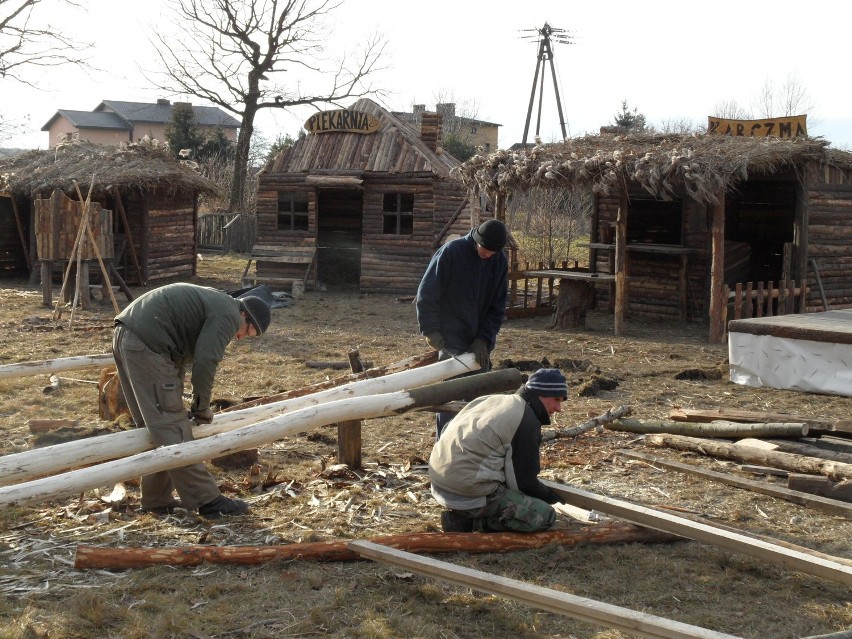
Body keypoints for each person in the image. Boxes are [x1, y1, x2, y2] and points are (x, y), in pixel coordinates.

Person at [112, 282, 271, 518]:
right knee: (173, 428)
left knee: (155, 428)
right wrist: (201, 406)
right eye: (248, 331)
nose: (241, 338)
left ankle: (156, 500)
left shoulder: (218, 302)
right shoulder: (228, 315)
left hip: (132, 336)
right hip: (146, 342)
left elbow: (181, 355)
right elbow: (206, 361)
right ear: (244, 315)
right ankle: (208, 500)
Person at [428, 368, 568, 533]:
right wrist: (548, 497)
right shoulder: (526, 419)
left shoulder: (493, 400)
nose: (558, 408)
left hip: (438, 482)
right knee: (544, 516)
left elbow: (446, 428)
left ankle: (466, 513)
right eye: (556, 400)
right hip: (466, 492)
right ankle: (470, 523)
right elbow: (523, 482)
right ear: (541, 394)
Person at [415, 218, 509, 437]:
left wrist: (484, 340)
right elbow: (427, 293)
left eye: (493, 252)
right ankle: (445, 449)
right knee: (451, 398)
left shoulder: (499, 261)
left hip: (478, 340)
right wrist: (430, 329)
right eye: (485, 250)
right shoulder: (451, 253)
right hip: (450, 337)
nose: (488, 255)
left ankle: (470, 451)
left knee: (478, 399)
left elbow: (497, 306)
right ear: (476, 240)